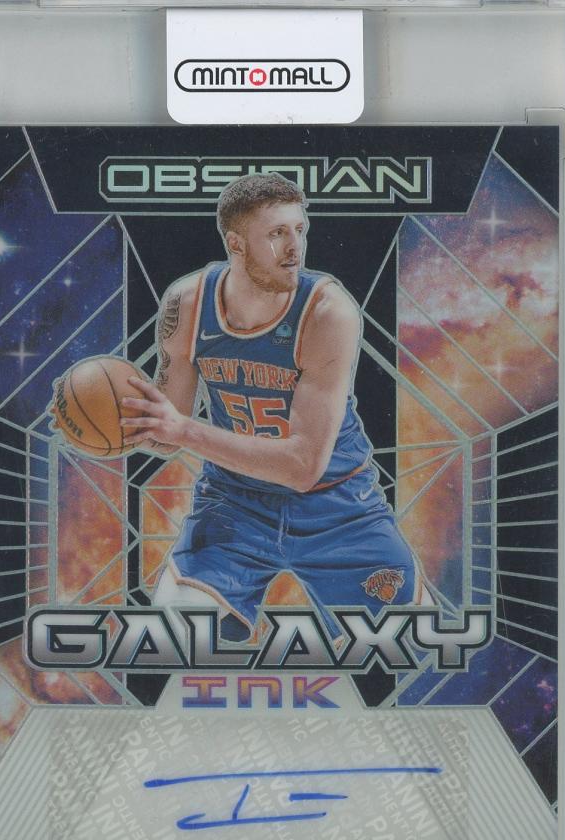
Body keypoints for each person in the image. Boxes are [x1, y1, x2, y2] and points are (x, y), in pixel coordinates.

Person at [121, 173, 431, 644]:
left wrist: (182, 430)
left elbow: (303, 468)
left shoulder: (328, 312)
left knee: (408, 644)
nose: (294, 248)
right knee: (175, 633)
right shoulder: (187, 304)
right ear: (235, 244)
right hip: (234, 503)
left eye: (299, 230)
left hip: (337, 505)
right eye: (276, 233)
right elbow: (166, 433)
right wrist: (117, 421)